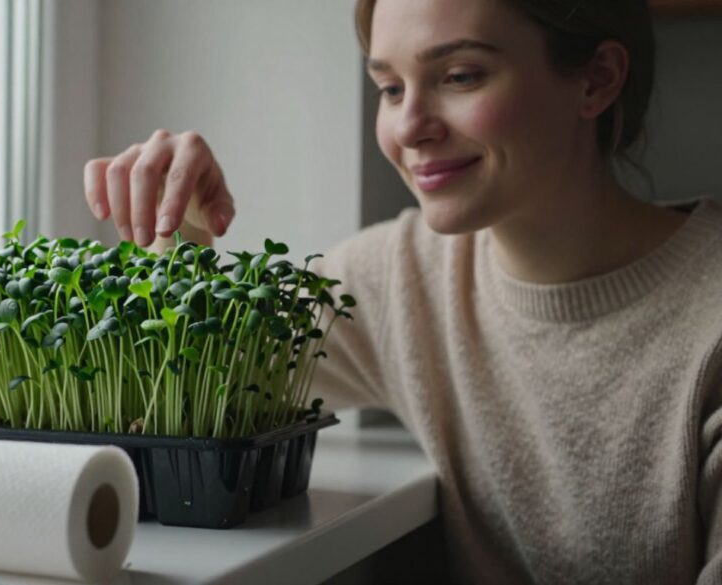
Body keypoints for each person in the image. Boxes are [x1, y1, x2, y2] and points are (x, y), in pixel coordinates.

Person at [83, 0, 722, 582]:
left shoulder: (708, 317)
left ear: (598, 78)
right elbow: (195, 390)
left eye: (461, 75)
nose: (409, 127)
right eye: (390, 87)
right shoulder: (401, 277)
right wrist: (183, 240)